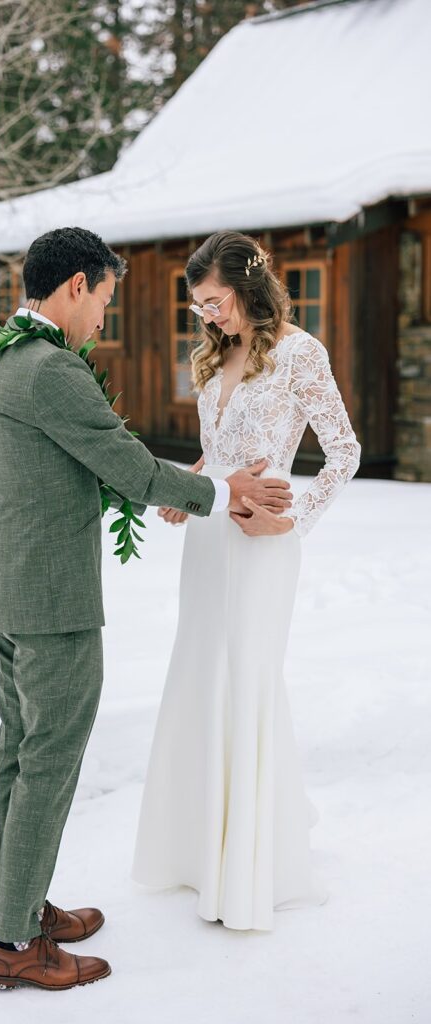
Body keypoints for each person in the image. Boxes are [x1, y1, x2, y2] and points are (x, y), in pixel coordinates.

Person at [0, 226, 293, 989]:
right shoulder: (51, 371)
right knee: (46, 762)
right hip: (52, 599)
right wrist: (221, 491)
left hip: (5, 586)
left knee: (17, 753)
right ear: (76, 285)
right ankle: (11, 943)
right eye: (105, 297)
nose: (106, 316)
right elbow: (126, 466)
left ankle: (21, 904)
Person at [131, 230, 361, 931]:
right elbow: (215, 452)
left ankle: (251, 865)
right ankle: (202, 854)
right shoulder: (211, 355)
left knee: (246, 680)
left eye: (214, 301)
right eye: (197, 305)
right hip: (207, 542)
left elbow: (342, 453)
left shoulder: (300, 353)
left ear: (249, 287)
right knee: (201, 678)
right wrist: (186, 486)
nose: (205, 315)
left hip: (263, 542)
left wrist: (292, 524)